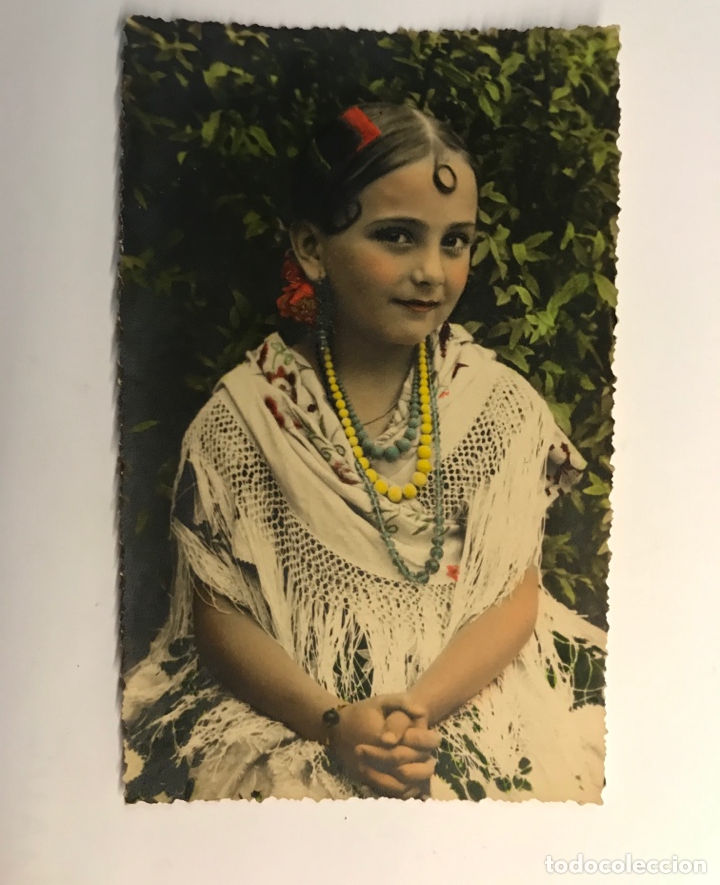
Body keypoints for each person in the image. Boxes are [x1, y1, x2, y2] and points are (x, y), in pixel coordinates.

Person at [122, 102, 606, 803]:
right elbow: (221, 616)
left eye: (455, 241)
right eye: (397, 236)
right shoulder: (250, 418)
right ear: (312, 248)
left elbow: (512, 594)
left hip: (463, 697)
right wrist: (335, 723)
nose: (432, 272)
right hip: (299, 710)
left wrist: (413, 718)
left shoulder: (495, 406)